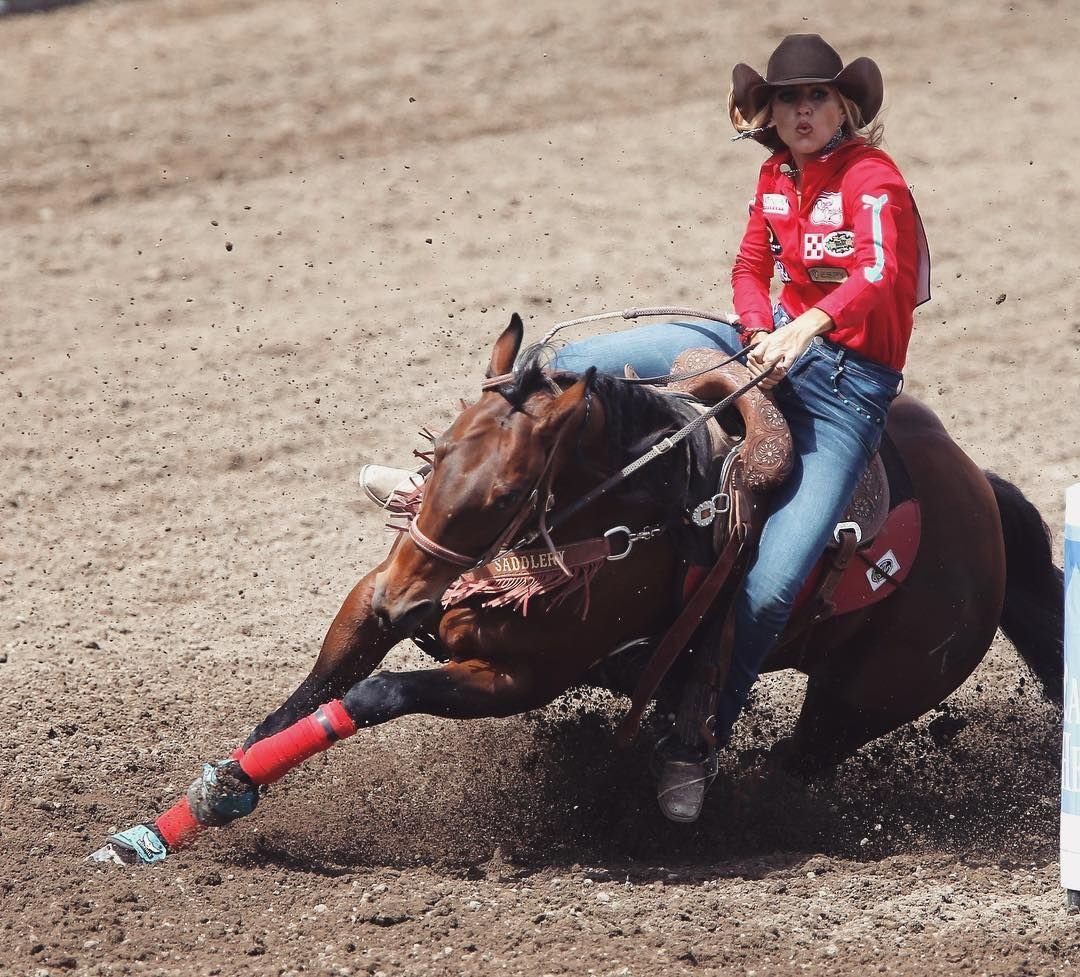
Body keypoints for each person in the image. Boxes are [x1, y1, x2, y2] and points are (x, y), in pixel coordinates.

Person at [360, 33, 929, 822]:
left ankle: (697, 737)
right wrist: (762, 329)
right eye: (788, 99)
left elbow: (879, 274)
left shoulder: (874, 179)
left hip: (844, 391)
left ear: (844, 108)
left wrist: (807, 330)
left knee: (769, 587)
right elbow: (747, 269)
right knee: (577, 360)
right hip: (757, 346)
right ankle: (443, 493)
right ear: (770, 112)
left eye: (817, 98)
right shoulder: (774, 176)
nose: (801, 110)